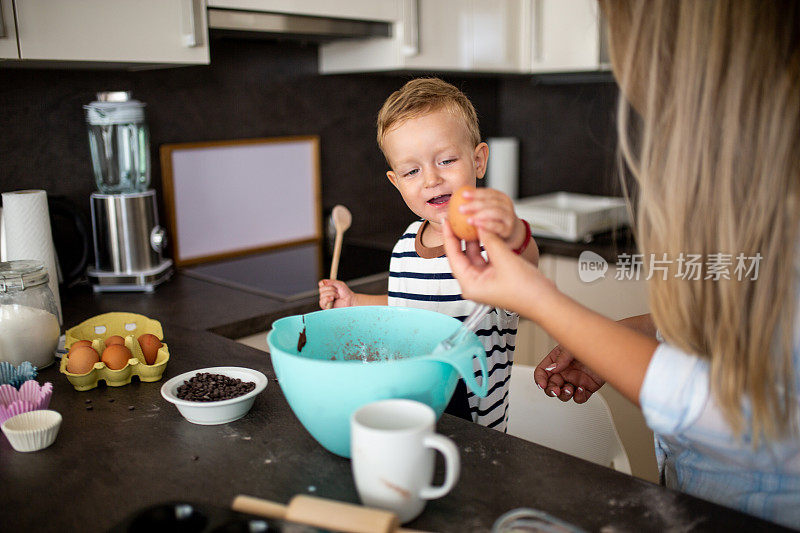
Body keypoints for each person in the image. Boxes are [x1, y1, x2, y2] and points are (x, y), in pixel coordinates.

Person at [442, 0, 799, 528]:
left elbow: (753, 416)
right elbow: (755, 330)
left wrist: (541, 300)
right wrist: (628, 339)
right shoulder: (751, 182)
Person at [318, 78, 539, 431]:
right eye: (412, 171)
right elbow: (407, 310)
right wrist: (354, 301)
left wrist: (512, 234)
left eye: (447, 160)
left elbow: (525, 266)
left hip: (480, 438)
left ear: (479, 160)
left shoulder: (491, 241)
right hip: (412, 422)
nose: (431, 179)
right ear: (396, 182)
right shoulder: (405, 245)